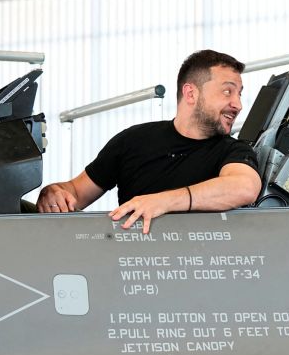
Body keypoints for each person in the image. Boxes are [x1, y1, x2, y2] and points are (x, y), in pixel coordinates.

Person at [37, 49, 263, 234]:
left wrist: (164, 202)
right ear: (191, 94)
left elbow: (244, 187)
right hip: (133, 272)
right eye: (227, 92)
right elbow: (76, 192)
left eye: (239, 94)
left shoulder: (233, 151)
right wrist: (54, 192)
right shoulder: (133, 141)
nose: (238, 104)